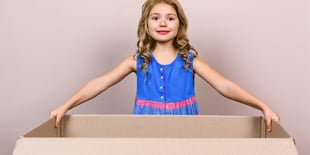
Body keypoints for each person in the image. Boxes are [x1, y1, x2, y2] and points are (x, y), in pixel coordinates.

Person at [50, 0, 280, 131]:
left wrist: (262, 106)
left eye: (170, 18)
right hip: (145, 127)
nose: (163, 23)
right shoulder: (137, 61)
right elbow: (100, 83)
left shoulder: (190, 60)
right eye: (155, 17)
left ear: (179, 24)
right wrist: (66, 105)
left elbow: (224, 85)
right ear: (146, 23)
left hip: (186, 128)